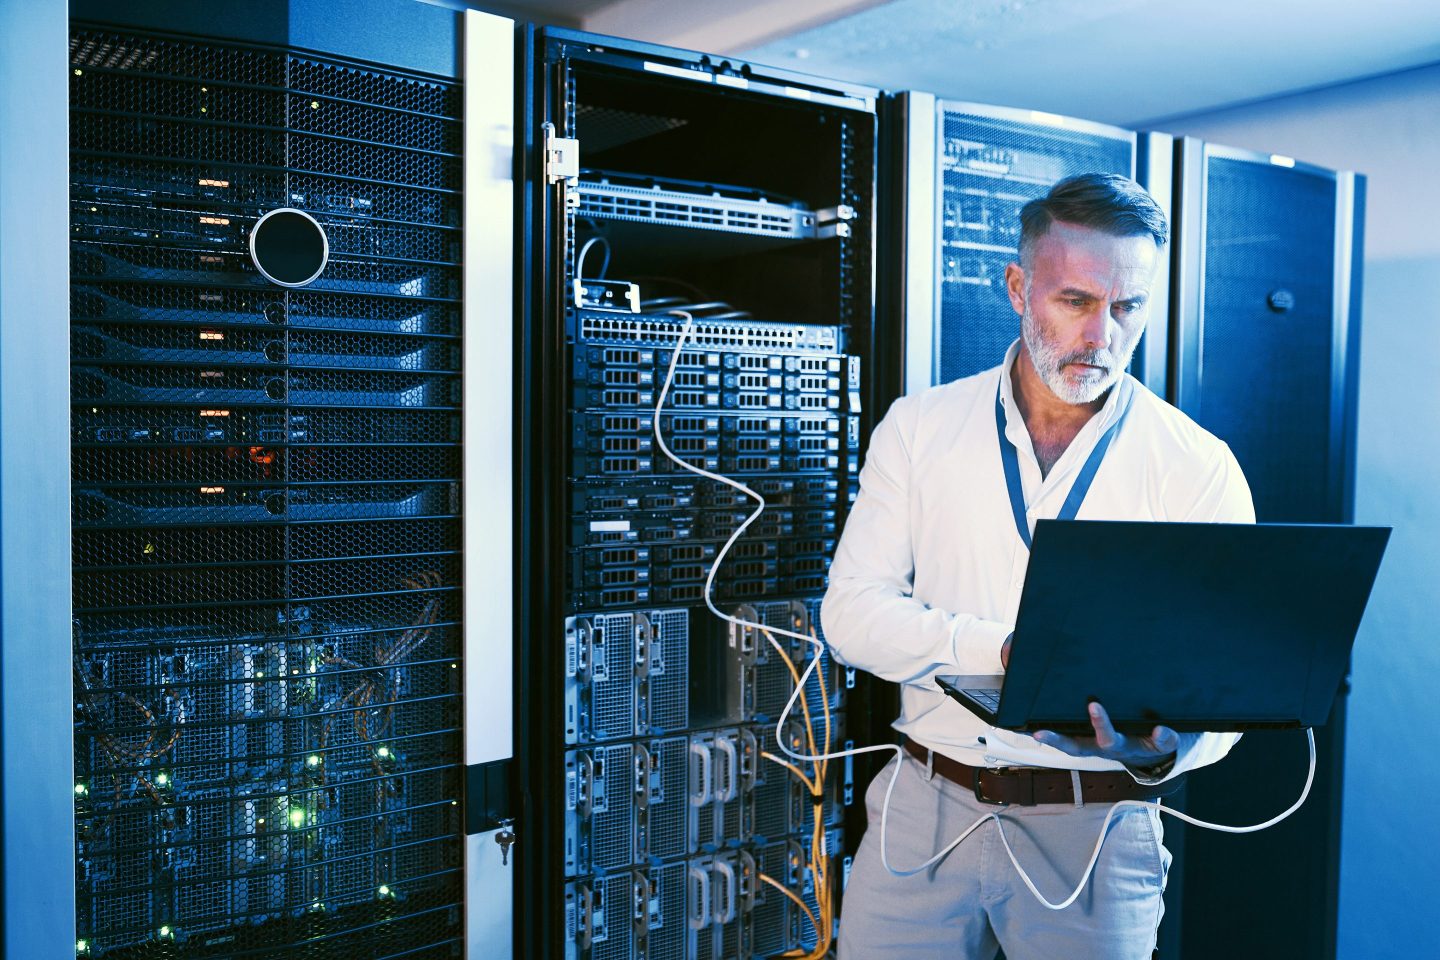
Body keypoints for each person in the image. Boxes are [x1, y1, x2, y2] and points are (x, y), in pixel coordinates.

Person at [822, 172, 1253, 960]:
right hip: (926, 812)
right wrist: (1006, 652)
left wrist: (1159, 748)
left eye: (1129, 308)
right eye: (1077, 302)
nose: (1103, 337)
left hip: (1098, 827)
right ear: (1019, 286)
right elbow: (849, 615)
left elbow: (1233, 691)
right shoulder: (920, 429)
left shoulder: (1198, 467)